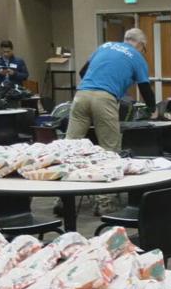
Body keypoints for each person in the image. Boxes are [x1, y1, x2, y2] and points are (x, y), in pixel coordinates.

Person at [66, 27, 155, 215]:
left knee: (70, 149)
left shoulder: (104, 46)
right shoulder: (137, 57)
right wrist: (152, 109)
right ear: (141, 44)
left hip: (81, 96)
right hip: (104, 99)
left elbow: (83, 71)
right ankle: (104, 201)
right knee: (109, 151)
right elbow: (145, 88)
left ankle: (64, 199)